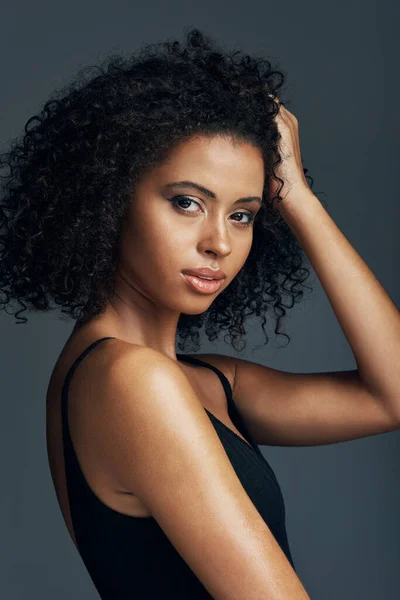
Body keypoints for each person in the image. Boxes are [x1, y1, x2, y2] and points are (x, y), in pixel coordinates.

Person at [1, 27, 399, 600]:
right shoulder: (131, 381)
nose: (219, 242)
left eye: (244, 214)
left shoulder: (202, 381)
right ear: (109, 199)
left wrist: (299, 201)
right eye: (187, 202)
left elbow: (393, 394)